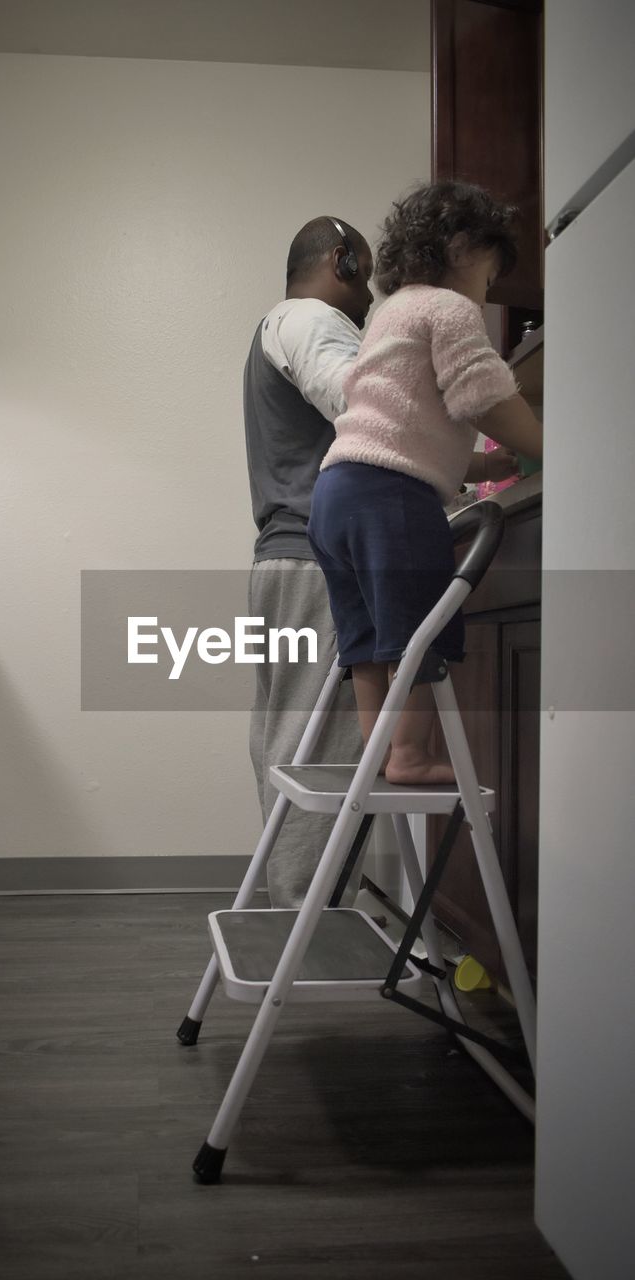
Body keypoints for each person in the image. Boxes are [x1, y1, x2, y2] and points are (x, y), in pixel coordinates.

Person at [307, 181, 543, 785]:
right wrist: (547, 444)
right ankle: (410, 752)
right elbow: (483, 396)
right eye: (490, 280)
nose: (485, 295)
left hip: (337, 492)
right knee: (418, 627)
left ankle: (378, 749)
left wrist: (486, 467)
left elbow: (406, 426)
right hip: (390, 498)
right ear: (464, 248)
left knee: (365, 637)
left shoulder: (389, 316)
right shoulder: (448, 309)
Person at [244, 216, 374, 908]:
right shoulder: (312, 318)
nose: (372, 294)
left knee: (284, 743)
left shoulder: (280, 323)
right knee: (317, 751)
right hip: (319, 565)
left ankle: (292, 909)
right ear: (341, 259)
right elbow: (366, 405)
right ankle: (309, 924)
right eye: (367, 274)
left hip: (282, 562)